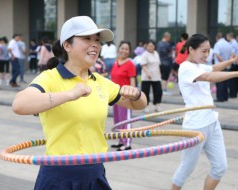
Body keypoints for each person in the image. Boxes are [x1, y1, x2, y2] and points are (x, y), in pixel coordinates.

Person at [11, 16, 147, 190]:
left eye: (97, 40)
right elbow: (19, 104)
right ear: (67, 45)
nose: (95, 45)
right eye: (86, 39)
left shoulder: (100, 82)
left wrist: (136, 94)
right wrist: (69, 94)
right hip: (58, 176)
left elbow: (140, 105)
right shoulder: (50, 78)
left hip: (95, 173)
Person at [171, 34, 238, 190]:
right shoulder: (185, 67)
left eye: (208, 51)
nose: (206, 55)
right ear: (191, 50)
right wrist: (237, 73)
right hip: (195, 127)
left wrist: (232, 61)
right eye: (203, 51)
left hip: (212, 122)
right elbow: (209, 76)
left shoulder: (198, 65)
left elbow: (213, 68)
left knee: (220, 167)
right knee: (186, 169)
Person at [110, 41, 136, 151]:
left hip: (126, 97)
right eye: (122, 48)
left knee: (126, 120)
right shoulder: (116, 62)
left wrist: (131, 95)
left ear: (129, 52)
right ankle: (121, 141)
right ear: (118, 49)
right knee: (118, 120)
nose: (123, 51)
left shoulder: (130, 64)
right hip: (116, 96)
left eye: (126, 49)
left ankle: (127, 143)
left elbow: (132, 81)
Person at [141, 40, 163, 112]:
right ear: (146, 46)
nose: (151, 47)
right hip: (146, 77)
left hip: (156, 76)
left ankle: (157, 105)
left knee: (158, 91)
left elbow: (157, 64)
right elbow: (143, 65)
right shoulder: (145, 54)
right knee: (145, 92)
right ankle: (145, 106)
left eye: (152, 46)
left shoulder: (156, 53)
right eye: (149, 46)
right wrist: (148, 73)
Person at [213, 32, 234, 102]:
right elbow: (232, 54)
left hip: (219, 65)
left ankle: (220, 98)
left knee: (219, 82)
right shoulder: (228, 44)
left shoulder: (217, 44)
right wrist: (227, 62)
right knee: (225, 82)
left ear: (217, 38)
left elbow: (217, 55)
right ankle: (225, 97)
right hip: (227, 66)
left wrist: (223, 63)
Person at [226, 32, 238, 98]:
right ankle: (233, 93)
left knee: (232, 80)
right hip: (235, 63)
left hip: (234, 63)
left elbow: (233, 53)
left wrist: (229, 62)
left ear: (229, 36)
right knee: (233, 80)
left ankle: (232, 94)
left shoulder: (233, 43)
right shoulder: (234, 42)